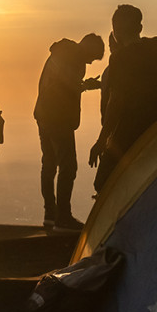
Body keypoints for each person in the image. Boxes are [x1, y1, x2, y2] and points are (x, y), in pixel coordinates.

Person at [89, 4, 157, 192]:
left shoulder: (120, 59)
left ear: (115, 31)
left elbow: (117, 101)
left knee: (104, 183)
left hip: (131, 129)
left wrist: (102, 141)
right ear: (140, 27)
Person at [34, 33, 104, 231]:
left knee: (49, 164)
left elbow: (62, 82)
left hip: (45, 115)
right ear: (87, 47)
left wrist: (83, 85)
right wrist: (85, 85)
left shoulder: (63, 53)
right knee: (68, 166)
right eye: (93, 57)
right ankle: (63, 217)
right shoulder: (70, 56)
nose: (91, 62)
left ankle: (50, 215)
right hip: (58, 118)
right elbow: (67, 82)